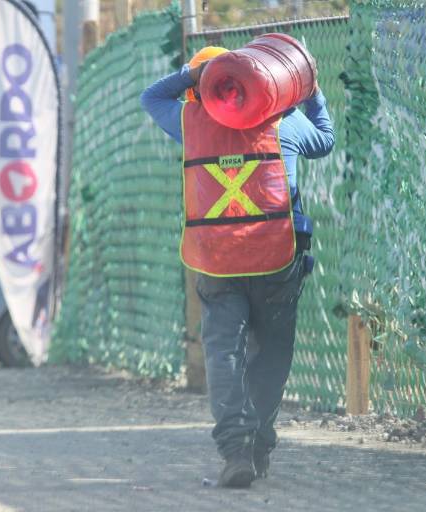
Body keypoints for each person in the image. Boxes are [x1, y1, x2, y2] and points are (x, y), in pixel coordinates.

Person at [141, 45, 334, 488]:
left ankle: (235, 450)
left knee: (222, 353)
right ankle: (260, 443)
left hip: (217, 261)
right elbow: (325, 141)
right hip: (277, 257)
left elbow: (151, 97)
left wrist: (194, 75)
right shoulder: (284, 120)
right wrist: (312, 91)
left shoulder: (190, 124)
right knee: (271, 353)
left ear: (202, 89)